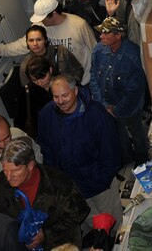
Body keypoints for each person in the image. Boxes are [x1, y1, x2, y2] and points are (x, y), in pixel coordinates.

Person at [37, 75, 123, 232]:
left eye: (65, 95)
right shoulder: (46, 115)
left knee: (114, 224)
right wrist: (59, 182)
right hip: (73, 189)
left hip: (101, 186)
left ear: (75, 91)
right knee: (92, 226)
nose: (60, 101)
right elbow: (47, 151)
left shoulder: (96, 114)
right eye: (56, 96)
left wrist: (101, 179)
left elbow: (111, 152)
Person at [0, 138, 89, 249]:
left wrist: (46, 234)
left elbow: (79, 212)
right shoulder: (1, 182)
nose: (9, 177)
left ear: (30, 165)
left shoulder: (59, 183)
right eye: (5, 170)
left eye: (15, 171)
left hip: (61, 246)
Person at [0, 0, 95, 86]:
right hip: (60, 86)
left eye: (43, 18)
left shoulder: (79, 25)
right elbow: (21, 45)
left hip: (84, 80)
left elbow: (94, 49)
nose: (40, 21)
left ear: (54, 14)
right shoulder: (40, 26)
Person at [89, 17, 150, 167]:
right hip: (107, 104)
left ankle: (142, 160)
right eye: (101, 32)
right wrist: (103, 104)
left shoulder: (132, 55)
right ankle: (126, 157)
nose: (101, 36)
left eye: (106, 33)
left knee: (138, 134)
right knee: (118, 134)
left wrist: (116, 109)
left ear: (118, 35)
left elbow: (135, 90)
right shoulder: (98, 51)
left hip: (130, 107)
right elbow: (93, 76)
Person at [15, 55, 56, 138]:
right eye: (34, 80)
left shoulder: (62, 82)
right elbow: (20, 121)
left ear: (50, 70)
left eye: (42, 78)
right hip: (45, 134)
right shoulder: (27, 93)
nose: (39, 83)